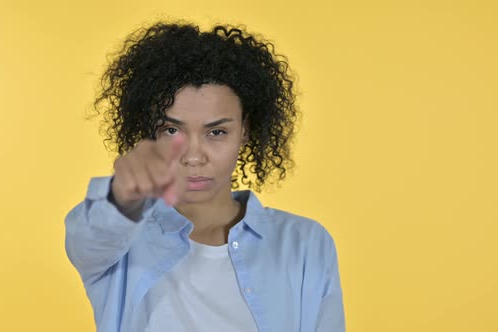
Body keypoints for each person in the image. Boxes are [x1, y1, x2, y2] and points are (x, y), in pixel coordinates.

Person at [65, 21, 345, 332]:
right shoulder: (117, 241)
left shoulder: (305, 243)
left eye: (216, 132)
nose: (194, 156)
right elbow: (90, 236)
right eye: (172, 130)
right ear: (149, 134)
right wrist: (123, 197)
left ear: (244, 132)